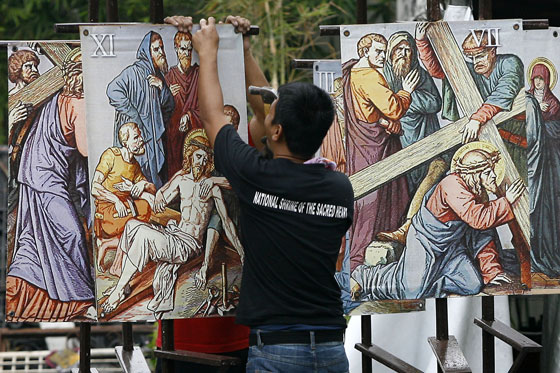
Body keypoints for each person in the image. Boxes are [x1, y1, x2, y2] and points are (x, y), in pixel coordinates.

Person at [166, 14, 353, 372]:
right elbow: (267, 110)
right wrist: (244, 53)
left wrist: (208, 55)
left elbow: (212, 118)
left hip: (278, 348)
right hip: (330, 344)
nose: (266, 115)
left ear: (277, 131)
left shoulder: (256, 175)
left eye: (273, 115)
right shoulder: (339, 188)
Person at [351, 144, 525, 300]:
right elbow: (478, 219)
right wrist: (506, 201)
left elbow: (482, 236)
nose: (493, 176)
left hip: (451, 249)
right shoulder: (452, 185)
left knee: (472, 285)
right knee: (411, 291)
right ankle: (366, 276)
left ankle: (430, 279)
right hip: (425, 243)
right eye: (488, 172)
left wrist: (492, 271)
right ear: (474, 174)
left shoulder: (478, 193)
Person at [102, 129, 244, 319]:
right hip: (175, 235)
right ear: (190, 156)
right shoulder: (181, 179)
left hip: (189, 244)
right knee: (132, 225)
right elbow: (160, 201)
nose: (200, 162)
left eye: (204, 158)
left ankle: (117, 292)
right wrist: (144, 190)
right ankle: (125, 283)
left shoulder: (212, 187)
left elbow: (227, 220)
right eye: (197, 156)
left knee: (144, 236)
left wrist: (243, 254)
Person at [6, 49, 95, 321]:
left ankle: (73, 299)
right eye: (27, 66)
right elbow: (87, 149)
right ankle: (81, 299)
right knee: (69, 235)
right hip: (40, 178)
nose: (33, 69)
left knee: (42, 237)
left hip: (47, 177)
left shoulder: (53, 98)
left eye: (35, 64)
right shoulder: (32, 101)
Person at [342, 32, 420, 271]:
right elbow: (394, 108)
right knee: (376, 199)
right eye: (378, 52)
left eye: (384, 53)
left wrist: (385, 123)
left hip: (362, 143)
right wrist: (406, 91)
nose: (383, 57)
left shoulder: (351, 71)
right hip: (374, 148)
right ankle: (360, 259)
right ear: (364, 51)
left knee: (376, 199)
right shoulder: (370, 77)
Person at [415, 23, 528, 181]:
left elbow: (504, 92)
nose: (476, 62)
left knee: (521, 180)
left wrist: (476, 120)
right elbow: (440, 70)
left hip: (519, 135)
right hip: (491, 135)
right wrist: (422, 42)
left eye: (480, 55)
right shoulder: (473, 72)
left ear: (493, 51)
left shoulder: (510, 63)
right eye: (472, 58)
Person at [107, 31, 175, 189]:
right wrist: (134, 116)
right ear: (147, 52)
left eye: (162, 48)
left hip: (152, 138)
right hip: (136, 137)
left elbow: (170, 107)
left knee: (153, 178)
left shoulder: (157, 76)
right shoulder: (133, 72)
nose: (162, 53)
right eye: (156, 49)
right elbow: (112, 90)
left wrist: (162, 88)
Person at [91, 122, 156, 273]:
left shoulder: (134, 165)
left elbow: (153, 189)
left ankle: (106, 244)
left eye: (140, 136)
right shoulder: (111, 155)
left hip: (125, 209)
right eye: (136, 137)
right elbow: (94, 187)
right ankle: (117, 266)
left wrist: (143, 185)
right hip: (107, 211)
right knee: (136, 222)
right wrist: (115, 200)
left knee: (143, 211)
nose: (141, 140)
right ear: (125, 142)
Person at [383, 31, 442, 194]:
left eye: (407, 49)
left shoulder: (419, 74)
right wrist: (404, 95)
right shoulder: (383, 76)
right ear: (390, 52)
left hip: (424, 134)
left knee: (426, 182)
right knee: (402, 186)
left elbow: (435, 103)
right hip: (399, 138)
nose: (402, 53)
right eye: (398, 49)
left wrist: (410, 96)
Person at [526, 62, 560, 277]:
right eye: (536, 78)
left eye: (542, 79)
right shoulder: (527, 99)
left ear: (548, 81)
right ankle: (535, 252)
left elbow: (557, 131)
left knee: (549, 206)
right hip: (533, 159)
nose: (538, 82)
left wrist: (543, 120)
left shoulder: (554, 103)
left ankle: (550, 252)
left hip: (550, 162)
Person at [164, 30, 201, 176]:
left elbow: (207, 107)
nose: (186, 53)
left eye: (189, 49)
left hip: (195, 136)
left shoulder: (198, 74)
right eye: (183, 49)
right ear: (176, 48)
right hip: (174, 136)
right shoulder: (169, 77)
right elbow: (161, 110)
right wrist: (168, 97)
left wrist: (189, 116)